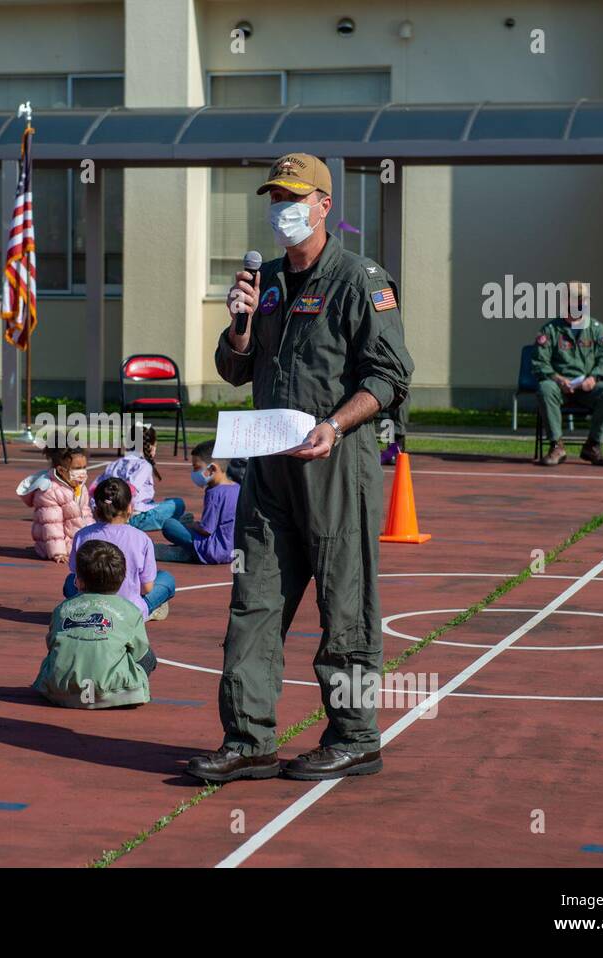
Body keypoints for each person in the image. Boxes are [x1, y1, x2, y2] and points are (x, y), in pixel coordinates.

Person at [188, 152, 413, 784]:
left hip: (337, 466)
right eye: (273, 198)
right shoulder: (266, 287)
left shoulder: (360, 279)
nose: (281, 209)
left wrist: (336, 424)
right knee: (254, 600)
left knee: (345, 607)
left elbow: (391, 376)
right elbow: (235, 371)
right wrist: (237, 326)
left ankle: (354, 735)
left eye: (293, 197)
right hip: (268, 469)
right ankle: (248, 740)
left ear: (323, 205)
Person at [32, 539, 154, 710]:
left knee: (57, 654)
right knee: (149, 657)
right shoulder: (130, 611)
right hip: (113, 692)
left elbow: (52, 644)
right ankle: (125, 690)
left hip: (60, 690)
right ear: (121, 579)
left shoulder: (62, 609)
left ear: (78, 580)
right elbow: (140, 653)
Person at [532, 281, 603, 467]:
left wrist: (594, 378)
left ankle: (592, 446)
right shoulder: (550, 330)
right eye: (578, 301)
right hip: (559, 387)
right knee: (545, 388)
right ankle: (557, 446)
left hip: (587, 387)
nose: (583, 305)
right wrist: (557, 378)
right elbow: (539, 362)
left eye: (585, 301)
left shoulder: (596, 329)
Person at [65, 477, 175, 622]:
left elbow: (76, 574)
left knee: (69, 582)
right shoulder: (141, 539)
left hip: (90, 607)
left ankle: (86, 612)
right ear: (129, 507)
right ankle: (146, 610)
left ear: (96, 508)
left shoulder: (82, 535)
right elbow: (147, 588)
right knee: (167, 579)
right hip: (127, 611)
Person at [155, 440, 239, 566]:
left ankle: (187, 552)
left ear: (212, 469)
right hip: (230, 550)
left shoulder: (214, 493)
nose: (194, 473)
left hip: (211, 550)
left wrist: (191, 525)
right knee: (180, 532)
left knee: (169, 525)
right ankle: (183, 552)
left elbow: (206, 530)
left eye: (196, 468)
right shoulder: (237, 487)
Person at [99, 424, 187, 532]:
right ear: (150, 446)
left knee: (157, 501)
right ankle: (177, 521)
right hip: (133, 518)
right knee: (178, 504)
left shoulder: (114, 464)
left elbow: (95, 489)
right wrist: (124, 514)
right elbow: (130, 489)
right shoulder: (144, 465)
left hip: (111, 513)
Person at [17, 446, 92, 562]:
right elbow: (52, 525)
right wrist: (58, 553)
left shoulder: (80, 487)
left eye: (84, 467)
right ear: (61, 470)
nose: (82, 472)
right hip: (53, 545)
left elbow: (86, 515)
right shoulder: (49, 491)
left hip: (74, 541)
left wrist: (93, 538)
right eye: (77, 468)